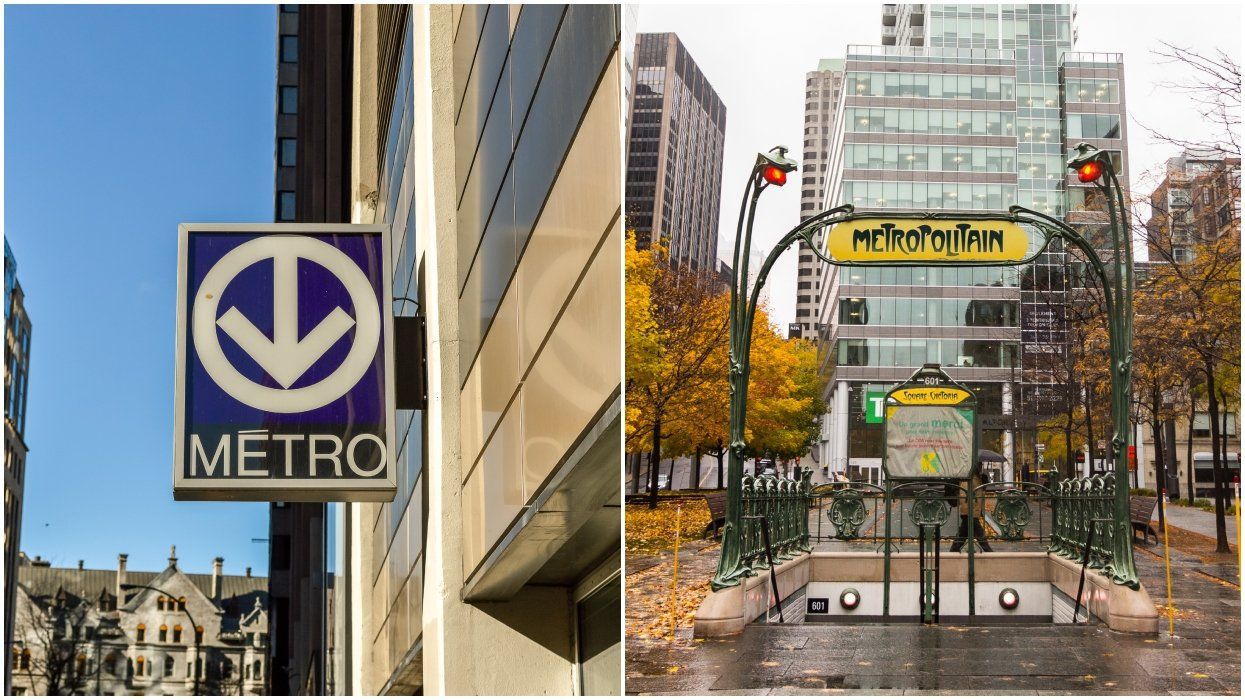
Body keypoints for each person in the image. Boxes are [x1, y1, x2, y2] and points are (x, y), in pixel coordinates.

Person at [950, 464, 993, 553]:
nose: (980, 467)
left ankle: (952, 552)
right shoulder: (971, 479)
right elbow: (965, 495)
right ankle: (989, 552)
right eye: (979, 466)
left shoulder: (975, 478)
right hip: (970, 511)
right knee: (980, 534)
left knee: (962, 535)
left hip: (971, 511)